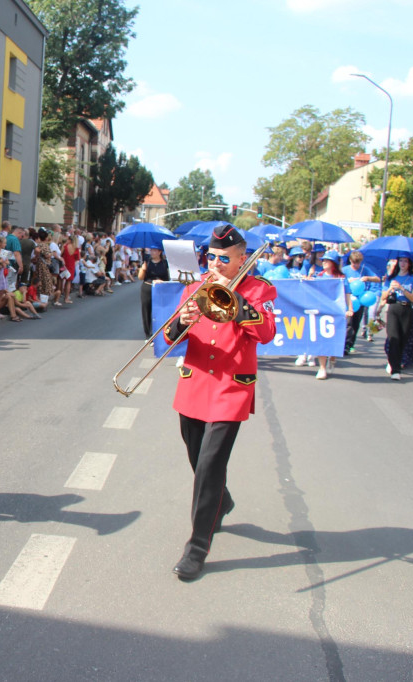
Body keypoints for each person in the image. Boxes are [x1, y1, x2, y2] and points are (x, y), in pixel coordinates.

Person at [161, 224, 277, 580]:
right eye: (210, 256)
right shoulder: (195, 289)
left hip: (231, 388)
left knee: (210, 466)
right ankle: (221, 501)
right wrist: (181, 321)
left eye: (223, 259)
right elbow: (168, 337)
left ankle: (197, 548)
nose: (214, 263)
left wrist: (237, 303)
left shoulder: (259, 289)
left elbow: (268, 333)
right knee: (198, 460)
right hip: (195, 385)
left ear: (242, 259)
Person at [381, 256, 413, 380]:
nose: (403, 264)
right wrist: (390, 289)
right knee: (394, 338)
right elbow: (383, 296)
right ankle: (395, 369)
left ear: (409, 264)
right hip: (394, 308)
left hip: (407, 309)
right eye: (401, 261)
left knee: (403, 339)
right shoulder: (391, 278)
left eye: (406, 261)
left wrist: (402, 288)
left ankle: (396, 363)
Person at [312, 251, 351, 380]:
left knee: (335, 339)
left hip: (337, 312)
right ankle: (322, 367)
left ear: (333, 263)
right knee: (321, 340)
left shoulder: (341, 278)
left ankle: (332, 357)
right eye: (322, 260)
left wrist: (349, 308)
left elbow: (347, 293)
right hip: (322, 312)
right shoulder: (319, 276)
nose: (323, 263)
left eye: (326, 261)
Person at [138, 246, 170, 338]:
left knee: (160, 310)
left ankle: (160, 333)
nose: (152, 252)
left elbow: (168, 278)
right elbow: (140, 277)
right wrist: (143, 269)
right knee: (146, 311)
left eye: (154, 250)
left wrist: (162, 281)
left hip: (161, 289)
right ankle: (148, 335)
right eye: (151, 250)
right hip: (147, 288)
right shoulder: (146, 261)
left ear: (159, 252)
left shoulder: (165, 263)